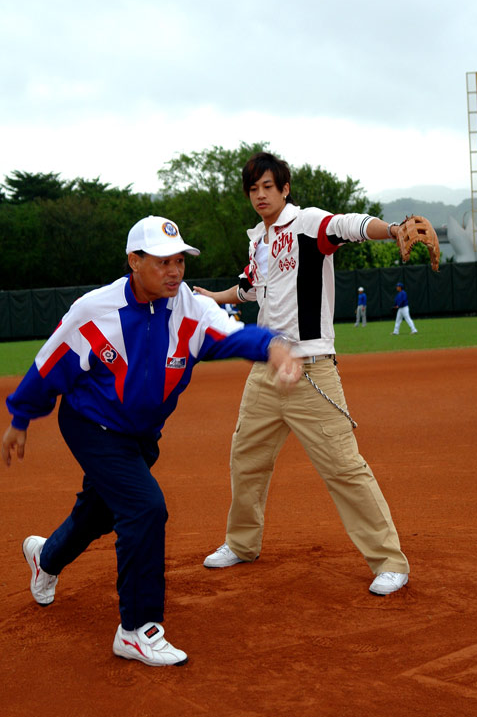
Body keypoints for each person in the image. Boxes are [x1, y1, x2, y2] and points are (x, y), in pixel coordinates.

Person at [1, 215, 300, 667]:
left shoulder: (190, 309)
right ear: (134, 261)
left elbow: (234, 334)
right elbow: (50, 363)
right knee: (144, 508)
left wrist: (273, 347)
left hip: (140, 435)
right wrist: (21, 417)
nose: (174, 271)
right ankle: (137, 629)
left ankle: (48, 556)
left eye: (179, 260)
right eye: (162, 262)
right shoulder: (94, 310)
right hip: (91, 425)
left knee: (101, 510)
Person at [194, 151, 412, 596]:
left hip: (312, 370)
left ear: (285, 189)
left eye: (267, 187)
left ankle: (390, 561)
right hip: (265, 371)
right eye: (253, 189)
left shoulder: (307, 223)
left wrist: (392, 230)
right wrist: (214, 297)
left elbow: (349, 225)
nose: (260, 195)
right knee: (246, 458)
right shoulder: (258, 240)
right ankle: (242, 543)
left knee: (344, 467)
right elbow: (251, 290)